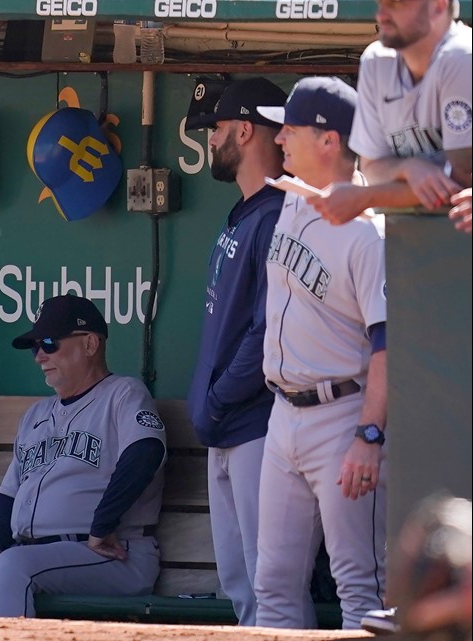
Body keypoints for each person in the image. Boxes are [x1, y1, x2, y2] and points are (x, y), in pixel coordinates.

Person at [0, 294, 167, 618]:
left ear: (91, 344)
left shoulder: (123, 394)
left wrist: (101, 526)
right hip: (30, 551)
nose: (40, 355)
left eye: (50, 343)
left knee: (14, 566)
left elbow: (144, 452)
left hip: (110, 553)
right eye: (35, 346)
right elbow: (9, 494)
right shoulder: (36, 414)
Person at [254, 77, 388, 630]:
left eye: (290, 127)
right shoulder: (290, 202)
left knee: (361, 589)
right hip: (283, 415)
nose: (279, 137)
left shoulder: (368, 235)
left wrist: (370, 436)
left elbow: (389, 344)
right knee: (273, 586)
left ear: (329, 140)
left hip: (341, 418)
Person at [185, 77, 287, 626]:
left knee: (266, 583)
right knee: (239, 586)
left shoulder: (275, 214)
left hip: (255, 424)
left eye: (218, 128)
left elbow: (267, 330)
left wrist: (220, 398)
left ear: (245, 130)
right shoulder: (247, 210)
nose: (211, 138)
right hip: (224, 426)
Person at [309, 0, 471, 225]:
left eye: (397, 4)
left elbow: (460, 181)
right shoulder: (376, 61)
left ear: (438, 6)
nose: (382, 15)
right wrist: (408, 168)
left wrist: (365, 197)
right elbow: (371, 169)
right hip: (414, 243)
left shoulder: (462, 55)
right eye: (381, 3)